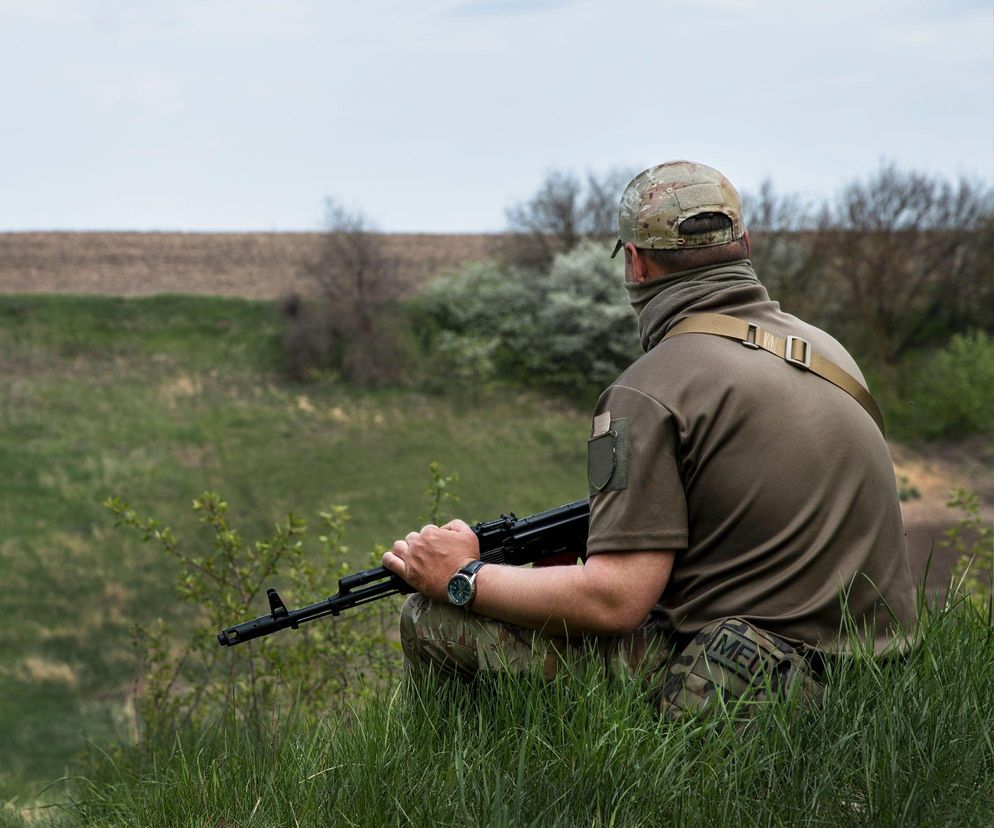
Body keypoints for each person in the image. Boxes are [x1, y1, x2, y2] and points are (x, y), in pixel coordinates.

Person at [381, 161, 918, 715]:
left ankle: (477, 783)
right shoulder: (828, 352)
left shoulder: (645, 392)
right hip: (877, 675)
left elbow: (616, 600)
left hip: (746, 685)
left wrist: (463, 576)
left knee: (431, 619)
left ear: (635, 264)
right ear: (745, 244)